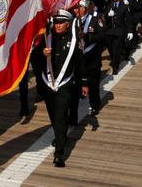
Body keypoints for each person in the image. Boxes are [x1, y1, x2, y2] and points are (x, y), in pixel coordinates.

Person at [42, 9, 88, 168]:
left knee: (61, 116)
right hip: (48, 84)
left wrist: (84, 82)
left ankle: (59, 154)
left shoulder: (74, 40)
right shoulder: (47, 39)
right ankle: (59, 135)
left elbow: (80, 62)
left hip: (65, 84)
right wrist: (42, 53)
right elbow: (33, 60)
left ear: (68, 24)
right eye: (56, 22)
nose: (58, 25)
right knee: (53, 116)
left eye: (61, 22)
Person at [75, 0, 103, 116]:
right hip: (79, 57)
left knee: (93, 84)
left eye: (78, 8)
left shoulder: (95, 19)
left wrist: (87, 37)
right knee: (79, 80)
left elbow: (102, 36)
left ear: (84, 9)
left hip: (92, 57)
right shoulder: (74, 21)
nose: (76, 10)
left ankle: (94, 105)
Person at [104, 0, 133, 74]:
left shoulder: (124, 6)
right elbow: (105, 16)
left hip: (119, 31)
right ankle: (114, 59)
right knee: (110, 48)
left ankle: (115, 67)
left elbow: (128, 20)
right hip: (110, 31)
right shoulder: (110, 5)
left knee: (116, 49)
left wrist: (130, 31)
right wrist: (108, 15)